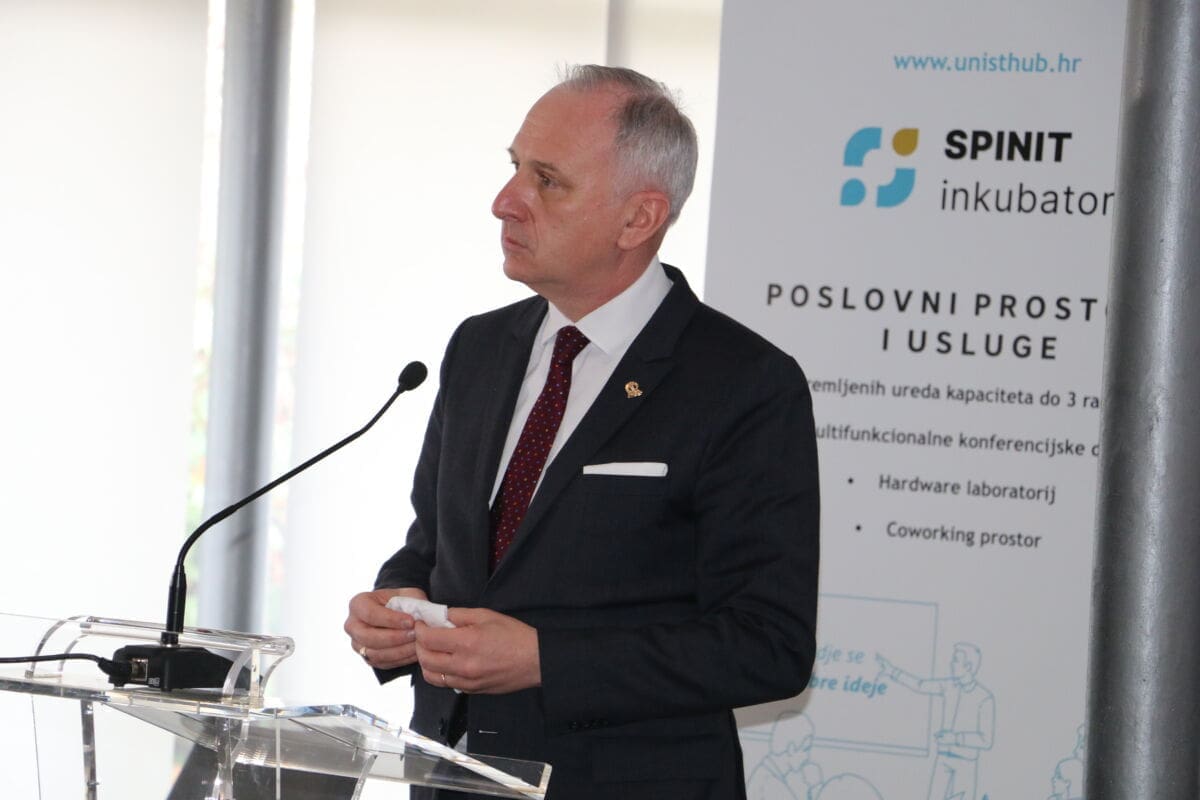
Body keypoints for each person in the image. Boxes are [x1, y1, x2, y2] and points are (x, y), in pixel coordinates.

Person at [344, 64, 820, 799]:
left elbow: (768, 646)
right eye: (514, 168)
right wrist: (395, 606)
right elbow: (434, 549)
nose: (505, 201)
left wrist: (546, 660)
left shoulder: (743, 382)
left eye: (547, 181)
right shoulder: (479, 347)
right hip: (452, 777)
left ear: (639, 219)